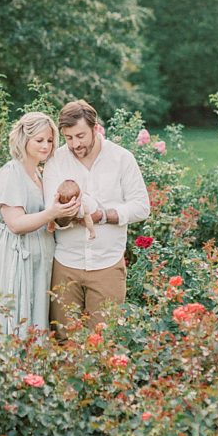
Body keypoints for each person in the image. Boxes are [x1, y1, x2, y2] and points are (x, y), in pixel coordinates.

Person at [42, 99, 150, 339]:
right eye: (68, 138)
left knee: (104, 343)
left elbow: (142, 207)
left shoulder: (122, 159)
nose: (75, 144)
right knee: (63, 341)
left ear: (95, 127)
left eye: (80, 136)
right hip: (66, 264)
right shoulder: (56, 161)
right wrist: (65, 214)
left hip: (107, 264)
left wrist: (102, 216)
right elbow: (52, 210)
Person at [0, 112, 81, 337]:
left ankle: (31, 366)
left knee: (34, 311)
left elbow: (41, 217)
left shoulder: (38, 175)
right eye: (39, 140)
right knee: (14, 313)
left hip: (38, 256)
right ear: (25, 140)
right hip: (15, 254)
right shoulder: (11, 173)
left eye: (50, 141)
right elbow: (16, 224)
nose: (46, 146)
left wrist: (60, 216)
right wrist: (51, 212)